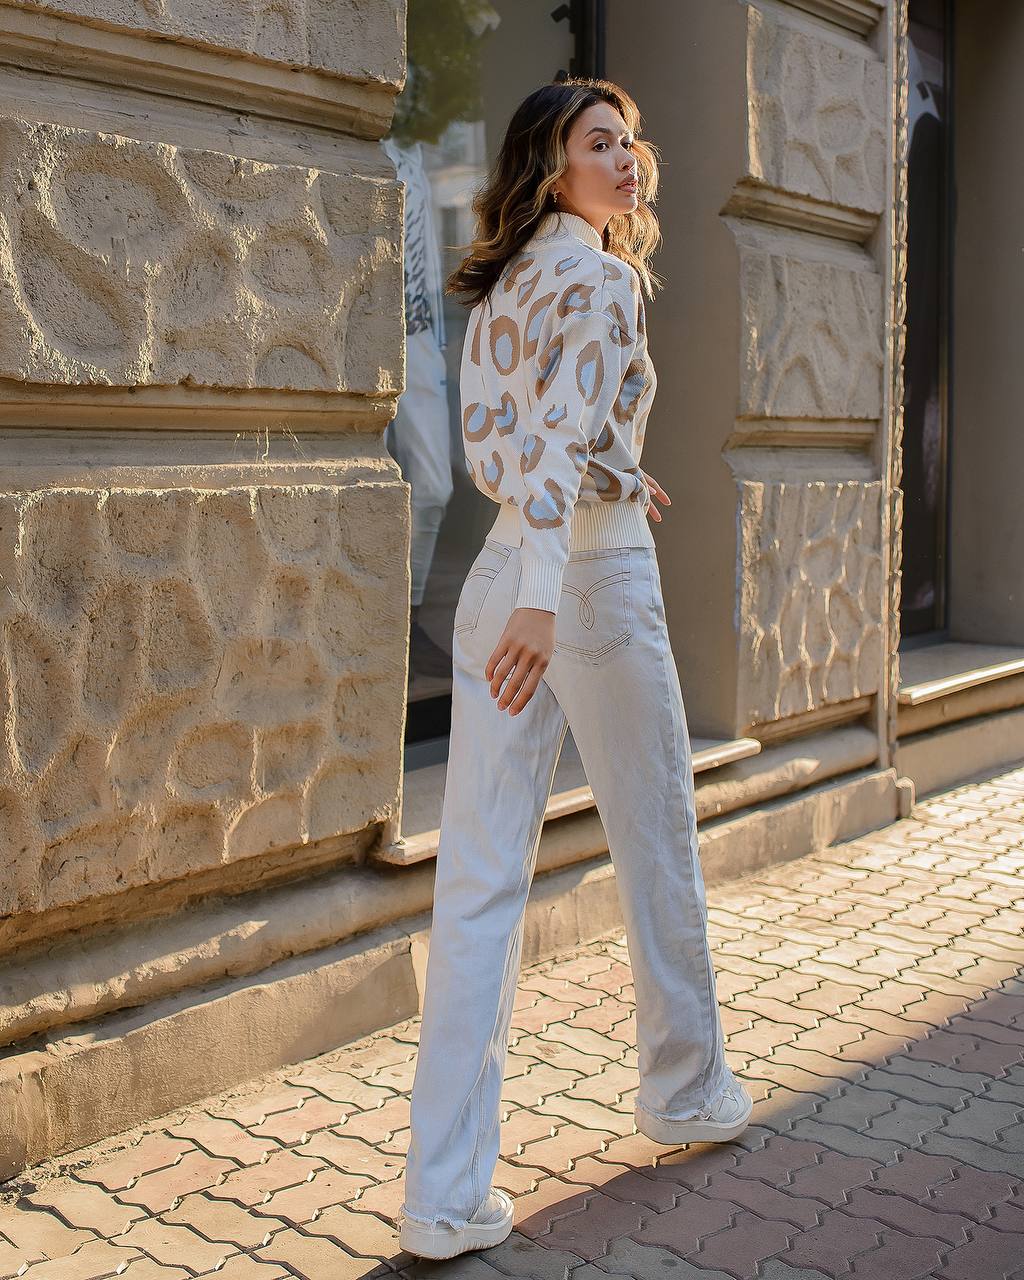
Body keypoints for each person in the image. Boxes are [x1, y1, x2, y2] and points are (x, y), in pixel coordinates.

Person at [397, 77, 753, 1262]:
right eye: (599, 143)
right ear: (554, 168)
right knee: (655, 836)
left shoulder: (505, 283)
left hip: (508, 569)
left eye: (630, 140)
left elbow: (524, 438)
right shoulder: (603, 278)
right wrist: (553, 596)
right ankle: (686, 1088)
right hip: (573, 588)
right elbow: (552, 446)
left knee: (479, 882)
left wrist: (614, 468)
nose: (627, 158)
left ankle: (442, 1194)